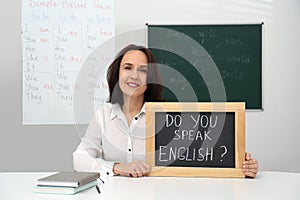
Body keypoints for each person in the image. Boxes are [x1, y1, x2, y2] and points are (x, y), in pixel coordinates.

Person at [73, 44, 258, 178]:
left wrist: (242, 166)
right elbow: (79, 158)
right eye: (127, 68)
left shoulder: (167, 118)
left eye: (143, 70)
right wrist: (117, 167)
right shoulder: (103, 115)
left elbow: (199, 159)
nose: (134, 76)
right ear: (117, 74)